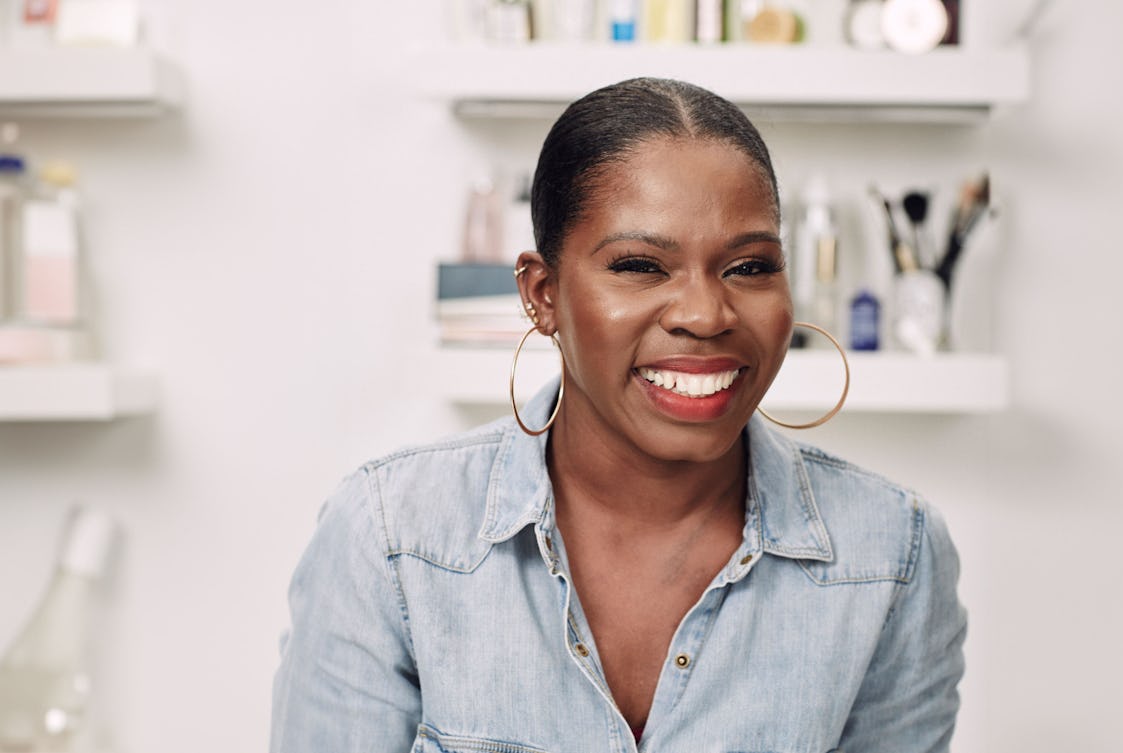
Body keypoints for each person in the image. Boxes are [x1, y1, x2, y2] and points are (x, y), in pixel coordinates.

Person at [270, 77, 965, 753]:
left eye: (749, 267)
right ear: (542, 294)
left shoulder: (891, 555)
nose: (705, 314)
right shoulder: (391, 539)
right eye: (639, 265)